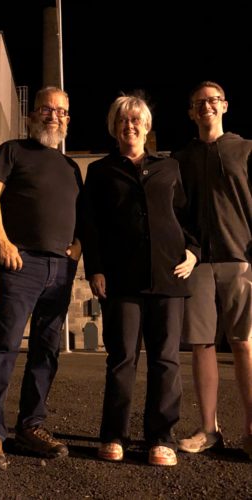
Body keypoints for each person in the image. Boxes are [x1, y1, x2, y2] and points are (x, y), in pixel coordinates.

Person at [81, 94, 199, 466]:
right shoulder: (100, 171)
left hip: (168, 276)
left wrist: (194, 252)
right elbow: (91, 225)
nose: (129, 126)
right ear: (115, 128)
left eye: (136, 121)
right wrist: (95, 268)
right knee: (122, 358)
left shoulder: (170, 168)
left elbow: (188, 217)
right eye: (123, 121)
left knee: (166, 360)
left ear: (147, 127)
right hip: (121, 280)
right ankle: (114, 433)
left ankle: (160, 437)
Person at [0, 86, 82, 472]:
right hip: (21, 263)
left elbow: (81, 216)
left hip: (60, 268)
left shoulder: (70, 167)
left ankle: (30, 426)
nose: (53, 116)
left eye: (61, 112)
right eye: (46, 109)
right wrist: (2, 242)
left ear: (68, 120)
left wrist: (77, 251)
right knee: (4, 346)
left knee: (46, 350)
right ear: (32, 115)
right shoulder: (12, 150)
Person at [173, 82, 252, 460]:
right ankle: (208, 430)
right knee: (202, 344)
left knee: (244, 344)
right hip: (198, 262)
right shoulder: (181, 157)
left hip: (241, 259)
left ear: (224, 106)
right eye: (198, 102)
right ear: (191, 111)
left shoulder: (245, 149)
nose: (206, 106)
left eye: (212, 100)